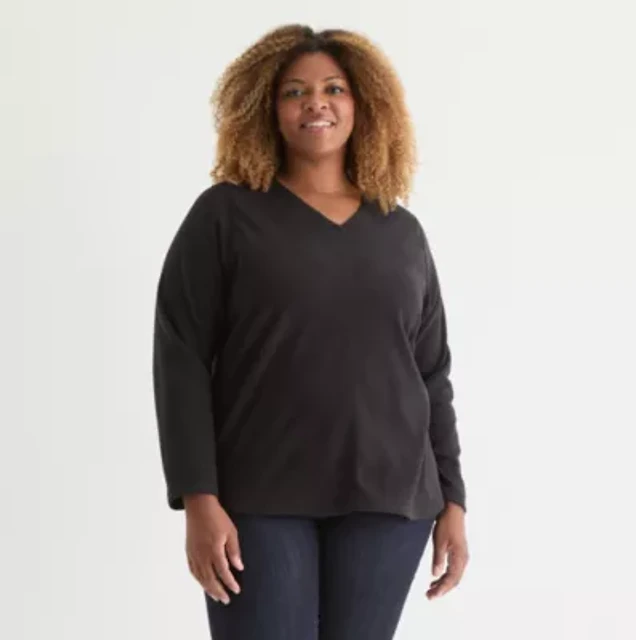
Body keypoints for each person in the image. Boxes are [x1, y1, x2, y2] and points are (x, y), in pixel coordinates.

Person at [152, 23, 469, 640]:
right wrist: (197, 496)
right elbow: (180, 356)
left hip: (390, 499)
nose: (315, 103)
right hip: (257, 495)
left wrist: (453, 500)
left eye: (333, 89)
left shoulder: (401, 232)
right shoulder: (226, 215)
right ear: (266, 110)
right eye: (294, 92)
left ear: (363, 104)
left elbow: (431, 373)